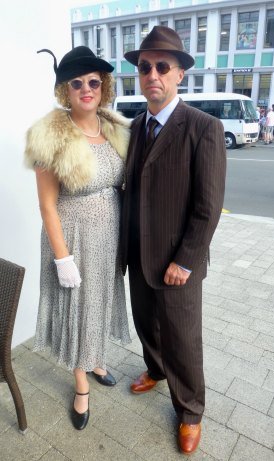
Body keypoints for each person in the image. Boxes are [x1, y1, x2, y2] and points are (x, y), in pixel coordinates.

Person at [121, 26, 226, 455]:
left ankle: (190, 410)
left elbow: (208, 206)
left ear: (180, 73)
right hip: (138, 255)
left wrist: (185, 260)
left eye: (162, 66)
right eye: (145, 67)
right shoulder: (134, 127)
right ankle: (156, 370)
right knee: (146, 325)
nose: (152, 75)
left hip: (178, 260)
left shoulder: (203, 128)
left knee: (183, 336)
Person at [24, 46, 131, 430]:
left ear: (103, 86)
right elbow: (47, 205)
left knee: (99, 300)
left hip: (108, 235)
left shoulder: (116, 129)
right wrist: (62, 258)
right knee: (78, 305)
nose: (87, 88)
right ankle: (81, 382)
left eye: (94, 81)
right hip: (73, 236)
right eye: (77, 82)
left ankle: (97, 358)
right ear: (64, 90)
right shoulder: (50, 135)